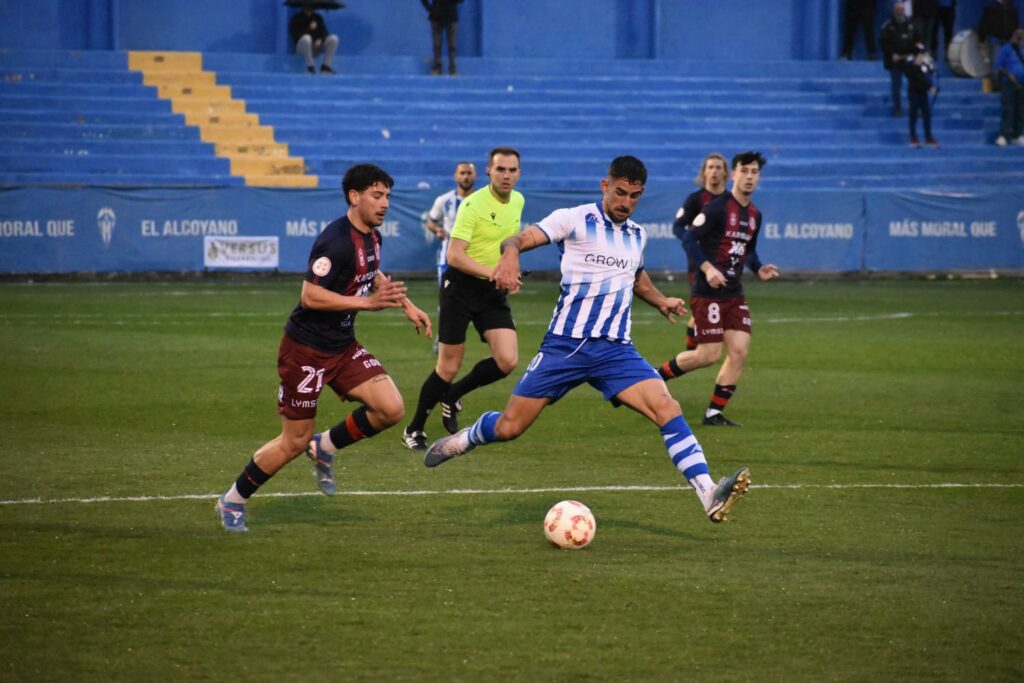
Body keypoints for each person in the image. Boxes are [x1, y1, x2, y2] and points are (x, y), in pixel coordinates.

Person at [421, 156, 751, 524]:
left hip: (616, 351)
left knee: (667, 408)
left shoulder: (637, 235)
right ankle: (467, 439)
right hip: (565, 347)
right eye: (620, 192)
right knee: (510, 427)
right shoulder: (574, 219)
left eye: (635, 196)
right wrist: (510, 255)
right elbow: (517, 238)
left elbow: (635, 276)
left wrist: (659, 300)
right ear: (604, 185)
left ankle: (708, 492)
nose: (625, 202)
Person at [215, 164, 432, 532]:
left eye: (388, 197)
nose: (385, 204)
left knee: (390, 408)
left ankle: (326, 446)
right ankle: (232, 500)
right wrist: (367, 304)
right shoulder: (335, 240)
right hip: (306, 351)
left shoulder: (373, 236)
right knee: (292, 442)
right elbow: (310, 295)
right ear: (354, 196)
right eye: (377, 196)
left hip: (342, 346)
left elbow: (371, 272)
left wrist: (404, 304)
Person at [402, 147, 524, 451]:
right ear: (488, 172)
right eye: (500, 170)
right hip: (460, 288)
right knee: (448, 366)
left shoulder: (518, 201)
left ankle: (454, 394)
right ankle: (414, 429)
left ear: (519, 173)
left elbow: (507, 246)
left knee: (507, 360)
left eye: (512, 170)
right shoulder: (473, 204)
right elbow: (454, 255)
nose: (506, 175)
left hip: (491, 291)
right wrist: (496, 274)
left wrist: (510, 270)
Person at [670, 151, 780, 427]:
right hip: (707, 292)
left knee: (739, 350)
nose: (749, 177)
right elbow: (689, 240)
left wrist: (759, 268)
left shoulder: (755, 215)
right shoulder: (718, 207)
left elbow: (749, 251)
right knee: (707, 355)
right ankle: (651, 379)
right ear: (734, 175)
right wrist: (707, 268)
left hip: (733, 292)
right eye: (744, 171)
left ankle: (713, 414)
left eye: (754, 172)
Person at [657, 153, 728, 376]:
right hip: (700, 264)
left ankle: (692, 350)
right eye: (711, 167)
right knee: (704, 306)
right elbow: (678, 227)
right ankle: (691, 353)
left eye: (719, 167)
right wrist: (694, 239)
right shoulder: (696, 199)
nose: (715, 171)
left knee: (703, 311)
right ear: (704, 172)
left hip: (724, 265)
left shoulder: (731, 200)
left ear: (725, 172)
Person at [423, 161, 477, 352]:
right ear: (455, 176)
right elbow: (431, 220)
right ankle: (444, 336)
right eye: (462, 173)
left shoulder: (482, 200)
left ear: (475, 176)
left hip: (476, 255)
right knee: (447, 297)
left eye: (469, 173)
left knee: (478, 294)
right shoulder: (444, 200)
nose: (466, 176)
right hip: (448, 256)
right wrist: (437, 229)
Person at [880, 2, 924, 116]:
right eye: (898, 9)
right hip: (895, 61)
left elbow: (918, 40)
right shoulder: (888, 25)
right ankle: (897, 109)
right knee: (896, 85)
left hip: (909, 60)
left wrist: (918, 50)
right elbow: (883, 43)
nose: (900, 12)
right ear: (894, 10)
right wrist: (892, 54)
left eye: (902, 9)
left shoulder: (911, 25)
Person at [289, 3, 339, 75]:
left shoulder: (318, 18)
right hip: (302, 48)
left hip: (316, 47)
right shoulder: (297, 18)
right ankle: (310, 66)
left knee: (334, 38)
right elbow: (296, 35)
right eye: (308, 6)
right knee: (307, 38)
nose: (310, 8)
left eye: (312, 7)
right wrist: (310, 29)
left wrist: (320, 39)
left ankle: (325, 66)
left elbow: (324, 32)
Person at [994, 27, 1024, 146]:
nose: (1019, 37)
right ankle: (1004, 135)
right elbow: (999, 66)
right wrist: (1008, 74)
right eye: (1017, 34)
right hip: (1008, 84)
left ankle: (1017, 135)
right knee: (1008, 109)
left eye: (1021, 35)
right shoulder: (1006, 49)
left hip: (1022, 85)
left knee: (1021, 111)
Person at [904, 50, 940, 146]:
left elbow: (927, 78)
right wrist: (929, 88)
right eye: (920, 56)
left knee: (926, 115)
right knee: (913, 115)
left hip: (923, 94)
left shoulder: (924, 67)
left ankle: (928, 136)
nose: (922, 58)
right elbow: (916, 80)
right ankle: (913, 136)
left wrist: (930, 87)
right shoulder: (910, 67)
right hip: (914, 93)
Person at [421, 0, 462, 75]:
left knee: (452, 45)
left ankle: (452, 68)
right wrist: (430, 9)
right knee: (437, 44)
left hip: (451, 15)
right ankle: (437, 67)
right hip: (436, 16)